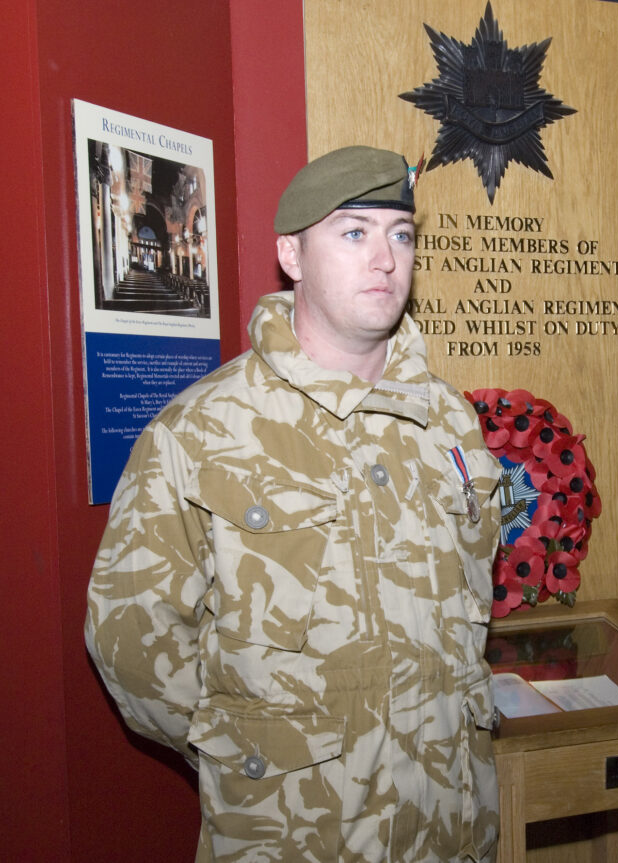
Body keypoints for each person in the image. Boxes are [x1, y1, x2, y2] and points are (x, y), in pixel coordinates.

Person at [85, 146, 503, 862]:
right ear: (292, 254)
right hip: (298, 833)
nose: (385, 258)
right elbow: (130, 639)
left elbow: (469, 596)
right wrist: (252, 744)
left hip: (449, 826)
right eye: (354, 232)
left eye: (401, 235)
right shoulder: (205, 430)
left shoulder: (449, 421)